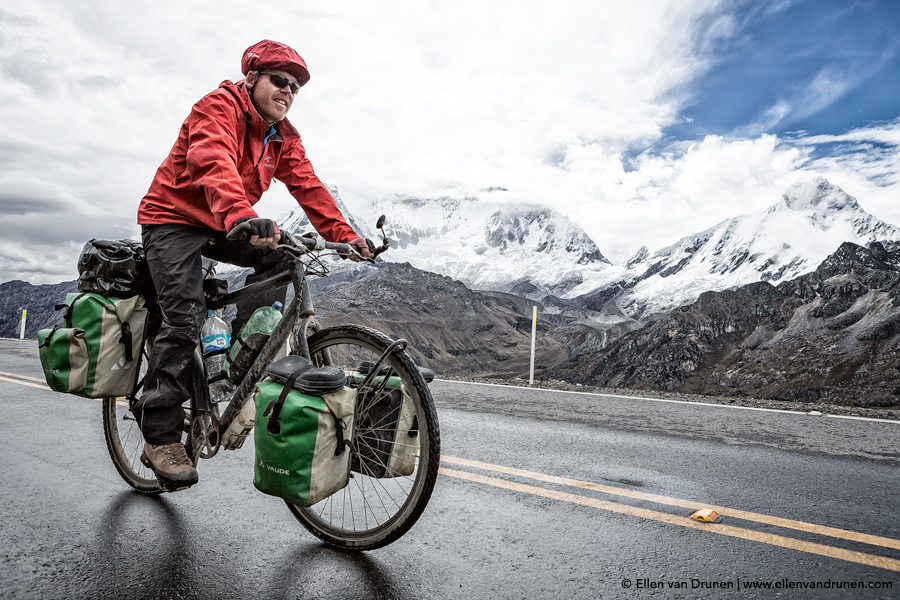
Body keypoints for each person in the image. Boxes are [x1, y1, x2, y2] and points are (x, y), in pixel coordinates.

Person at [135, 39, 372, 490]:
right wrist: (241, 214)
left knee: (281, 257)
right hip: (173, 219)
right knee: (183, 318)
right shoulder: (216, 107)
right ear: (251, 80)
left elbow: (309, 186)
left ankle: (245, 354)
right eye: (279, 81)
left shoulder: (282, 137)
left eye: (296, 87)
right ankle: (160, 435)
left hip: (226, 220)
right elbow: (212, 161)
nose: (287, 91)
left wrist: (345, 236)